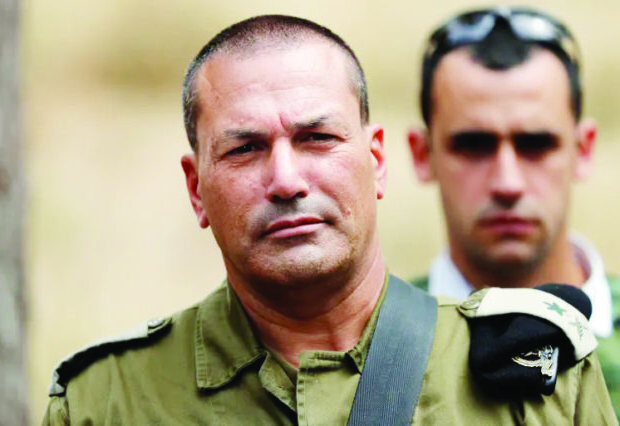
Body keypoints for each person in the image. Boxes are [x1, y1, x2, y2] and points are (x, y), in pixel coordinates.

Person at [42, 14, 616, 424]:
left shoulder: (536, 381)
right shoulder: (106, 401)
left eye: (317, 138)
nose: (286, 180)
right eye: (245, 148)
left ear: (377, 162)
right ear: (196, 189)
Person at [407, 6, 620, 420]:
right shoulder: (370, 344)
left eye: (536, 144)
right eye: (473, 145)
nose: (508, 183)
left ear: (583, 149)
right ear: (422, 155)